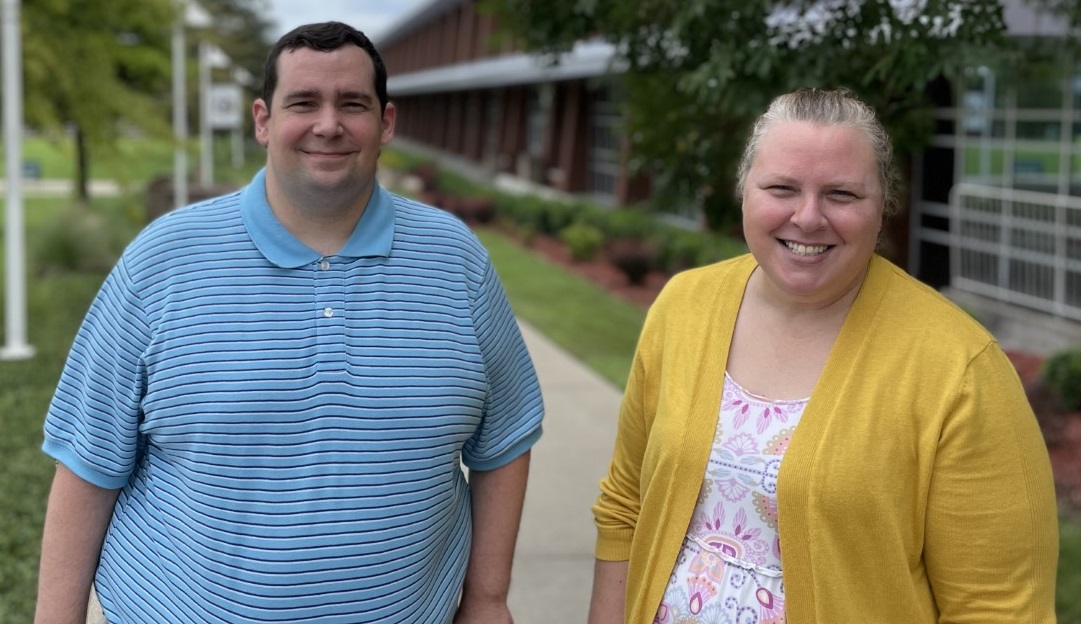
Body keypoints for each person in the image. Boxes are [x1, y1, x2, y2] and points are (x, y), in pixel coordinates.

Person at [35, 21, 543, 624]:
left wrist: (486, 599)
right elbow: (87, 463)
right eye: (303, 102)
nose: (328, 124)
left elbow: (505, 440)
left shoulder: (455, 261)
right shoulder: (164, 259)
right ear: (263, 120)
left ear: (385, 123)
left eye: (352, 103)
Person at [588, 88, 1058, 623]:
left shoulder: (959, 369)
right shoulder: (683, 306)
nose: (808, 218)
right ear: (744, 190)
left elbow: (997, 607)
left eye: (841, 194)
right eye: (782, 188)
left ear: (882, 207)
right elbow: (626, 505)